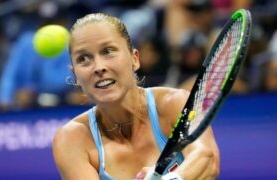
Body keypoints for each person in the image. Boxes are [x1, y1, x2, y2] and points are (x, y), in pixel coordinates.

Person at [53, 13, 219, 179]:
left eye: (108, 51)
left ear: (134, 59)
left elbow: (207, 159)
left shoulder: (175, 103)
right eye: (83, 58)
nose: (98, 67)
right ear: (76, 76)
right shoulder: (71, 139)